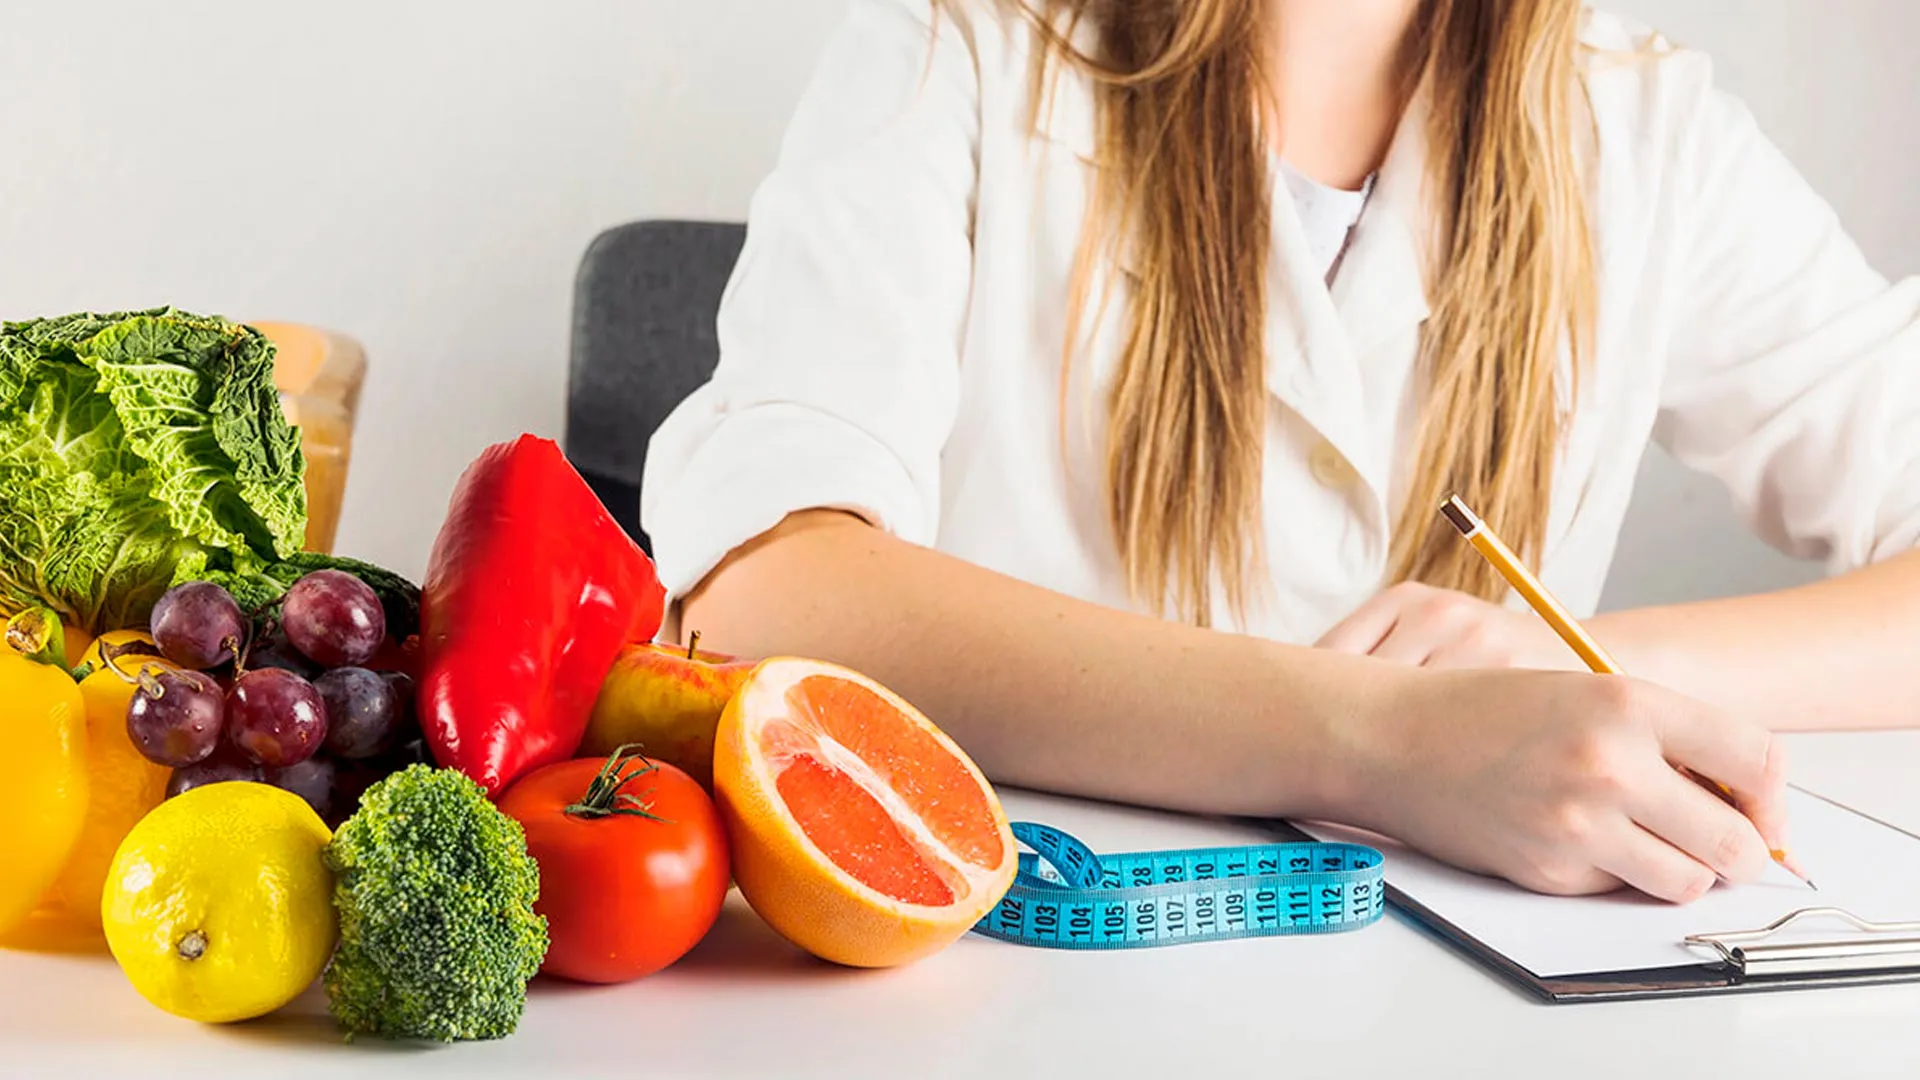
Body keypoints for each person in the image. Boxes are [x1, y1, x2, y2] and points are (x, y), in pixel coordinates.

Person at [639, 0, 1920, 905]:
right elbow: (763, 589)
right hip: (1023, 972)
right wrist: (1383, 739)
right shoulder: (958, 42)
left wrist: (1576, 680)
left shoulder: (1649, 127)